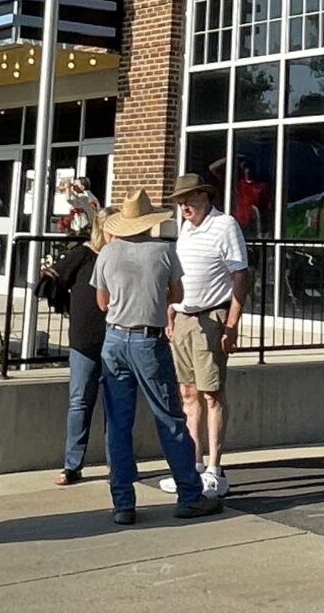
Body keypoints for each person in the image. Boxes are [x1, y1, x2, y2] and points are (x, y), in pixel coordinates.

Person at [92, 189, 217, 525]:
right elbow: (178, 295)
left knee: (118, 424)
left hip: (115, 338)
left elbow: (102, 303)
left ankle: (123, 503)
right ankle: (188, 494)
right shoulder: (164, 251)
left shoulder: (107, 253)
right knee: (169, 418)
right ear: (149, 222)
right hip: (149, 339)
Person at [157, 172, 248, 501]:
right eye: (180, 201)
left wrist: (231, 324)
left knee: (212, 393)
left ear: (205, 197)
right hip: (183, 315)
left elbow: (240, 274)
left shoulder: (224, 225)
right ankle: (192, 466)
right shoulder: (186, 229)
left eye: (189, 199)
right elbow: (180, 274)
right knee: (188, 393)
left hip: (211, 316)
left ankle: (214, 468)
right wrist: (171, 308)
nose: (183, 205)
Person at [52, 210, 108, 486]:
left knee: (116, 404)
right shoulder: (84, 254)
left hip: (115, 339)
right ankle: (72, 464)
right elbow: (54, 278)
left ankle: (118, 464)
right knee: (80, 401)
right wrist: (65, 307)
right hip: (85, 339)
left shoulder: (120, 255)